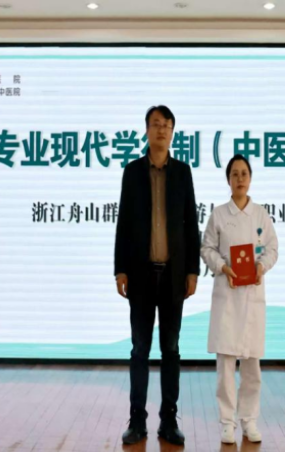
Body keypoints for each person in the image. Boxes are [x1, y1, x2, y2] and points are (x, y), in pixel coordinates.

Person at [114, 105, 201, 446]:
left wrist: (193, 270)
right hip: (140, 275)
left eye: (166, 125)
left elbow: (191, 224)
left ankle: (169, 421)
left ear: (172, 131)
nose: (161, 129)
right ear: (147, 131)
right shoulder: (132, 172)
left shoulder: (183, 172)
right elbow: (123, 222)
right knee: (139, 349)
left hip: (174, 276)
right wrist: (120, 268)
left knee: (171, 349)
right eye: (155, 124)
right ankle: (137, 420)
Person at [200, 155, 278, 444]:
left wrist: (262, 266)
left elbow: (272, 248)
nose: (240, 178)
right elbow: (207, 248)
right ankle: (227, 421)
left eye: (244, 173)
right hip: (228, 295)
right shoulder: (219, 215)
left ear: (250, 178)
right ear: (228, 180)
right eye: (235, 174)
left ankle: (249, 419)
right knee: (225, 365)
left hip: (252, 296)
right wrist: (222, 267)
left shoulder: (261, 215)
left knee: (252, 365)